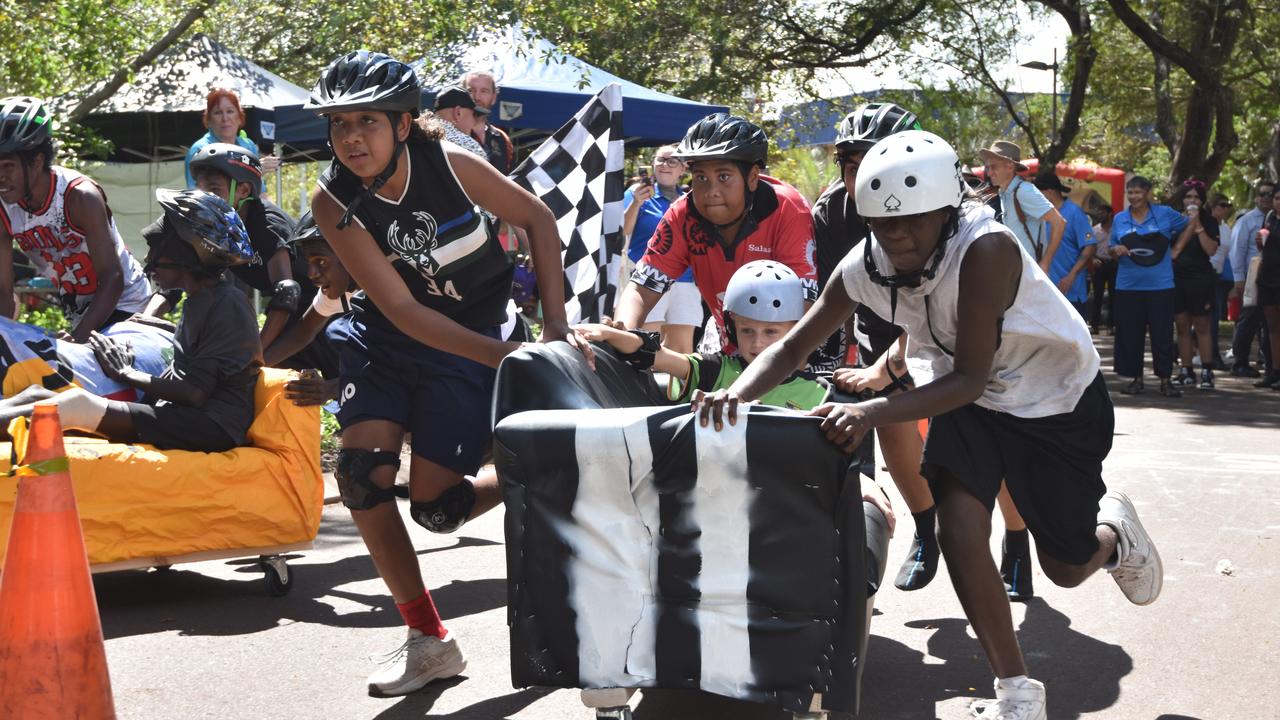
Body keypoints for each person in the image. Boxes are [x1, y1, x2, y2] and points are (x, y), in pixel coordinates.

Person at [689, 130, 1162, 720]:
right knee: (960, 529)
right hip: (973, 402)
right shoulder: (864, 265)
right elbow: (791, 349)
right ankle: (1018, 695)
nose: (899, 238)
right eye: (883, 225)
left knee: (1065, 568)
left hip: (1054, 400)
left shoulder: (985, 250)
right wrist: (732, 395)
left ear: (947, 210)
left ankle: (1113, 533)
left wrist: (869, 411)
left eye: (913, 222)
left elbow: (967, 374)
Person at [305, 50, 573, 697]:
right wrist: (510, 362)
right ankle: (430, 641)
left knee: (438, 510)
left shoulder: (451, 164)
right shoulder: (331, 200)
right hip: (393, 337)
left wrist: (556, 337)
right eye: (339, 124)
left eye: (366, 121)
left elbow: (537, 219)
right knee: (360, 476)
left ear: (402, 125)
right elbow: (399, 309)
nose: (350, 137)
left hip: (472, 332)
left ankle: (523, 471)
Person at [1, 189, 261, 452]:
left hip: (211, 426)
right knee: (42, 396)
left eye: (158, 248)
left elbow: (195, 393)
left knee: (76, 406)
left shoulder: (229, 304)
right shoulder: (199, 301)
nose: (149, 260)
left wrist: (127, 373)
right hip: (183, 415)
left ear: (187, 254)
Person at [811, 102, 941, 592]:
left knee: (982, 446)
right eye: (853, 167)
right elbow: (830, 304)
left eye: (881, 164)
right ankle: (927, 529)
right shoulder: (831, 212)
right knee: (892, 424)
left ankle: (1016, 537)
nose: (867, 178)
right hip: (881, 328)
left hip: (956, 334)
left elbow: (942, 312)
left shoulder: (949, 209)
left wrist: (890, 367)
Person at [266, 212, 533, 405]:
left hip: (495, 342)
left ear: (351, 254)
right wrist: (251, 366)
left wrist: (330, 389)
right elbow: (304, 331)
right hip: (445, 355)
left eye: (321, 262)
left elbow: (400, 359)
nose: (311, 273)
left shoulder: (402, 288)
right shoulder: (344, 284)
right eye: (308, 262)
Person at [614, 113, 817, 357]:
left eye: (723, 177)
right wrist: (622, 332)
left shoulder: (788, 209)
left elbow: (804, 304)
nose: (711, 191)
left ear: (752, 178)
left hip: (796, 339)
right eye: (701, 178)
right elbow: (641, 289)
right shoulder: (682, 214)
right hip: (728, 333)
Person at [0, 96, 152, 342]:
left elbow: (113, 278)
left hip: (127, 308)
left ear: (36, 162)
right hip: (82, 317)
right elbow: (3, 294)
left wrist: (78, 339)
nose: (1, 177)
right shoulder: (4, 208)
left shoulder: (79, 196)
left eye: (8, 166)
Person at [1110, 175, 1188, 397]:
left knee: (1162, 333)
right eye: (1130, 193)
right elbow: (1111, 249)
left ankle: (1166, 379)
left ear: (1148, 193)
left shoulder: (1165, 214)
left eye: (1138, 192)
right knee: (1130, 334)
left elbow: (1190, 223)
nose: (1133, 197)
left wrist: (1177, 249)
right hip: (1128, 286)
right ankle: (1136, 379)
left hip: (1160, 285)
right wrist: (1116, 250)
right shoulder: (1120, 219)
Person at [620, 145, 700, 353]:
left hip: (685, 279)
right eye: (660, 160)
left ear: (683, 168)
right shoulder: (636, 194)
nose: (665, 165)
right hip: (649, 277)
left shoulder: (691, 199)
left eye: (672, 161)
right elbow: (623, 230)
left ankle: (678, 387)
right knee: (648, 345)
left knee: (682, 350)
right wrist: (636, 203)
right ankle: (648, 386)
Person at [979, 140, 1065, 273]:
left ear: (1010, 166)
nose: (989, 173)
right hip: (1018, 273)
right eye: (988, 167)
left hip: (1030, 274)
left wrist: (1045, 263)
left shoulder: (1023, 191)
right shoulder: (1005, 192)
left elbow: (1059, 223)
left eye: (993, 167)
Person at [1170, 180, 1220, 389]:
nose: (1192, 201)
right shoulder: (1174, 220)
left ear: (1202, 201)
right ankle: (1186, 369)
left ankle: (1207, 371)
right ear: (1182, 199)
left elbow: (1210, 250)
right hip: (1177, 277)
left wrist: (1197, 226)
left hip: (1201, 279)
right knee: (1182, 325)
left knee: (1202, 325)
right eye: (1188, 197)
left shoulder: (1209, 221)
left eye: (1196, 197)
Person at [184, 88, 279, 190]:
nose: (225, 118)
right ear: (209, 120)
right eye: (218, 112)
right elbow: (202, 199)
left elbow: (260, 193)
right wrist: (253, 172)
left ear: (239, 117)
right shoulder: (200, 150)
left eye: (230, 111)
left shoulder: (249, 146)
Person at [1229, 181, 1274, 378]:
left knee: (1270, 322)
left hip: (1273, 276)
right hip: (1252, 275)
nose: (1266, 198)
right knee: (1249, 319)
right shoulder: (1246, 221)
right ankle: (1240, 362)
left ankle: (1270, 362)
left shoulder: (1275, 219)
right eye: (1262, 194)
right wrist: (1239, 278)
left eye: (1270, 194)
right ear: (1256, 197)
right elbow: (1236, 250)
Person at [1034, 174, 1096, 318]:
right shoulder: (1039, 215)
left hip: (1070, 291)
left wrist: (1071, 276)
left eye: (1038, 193)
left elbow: (1090, 246)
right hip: (1046, 292)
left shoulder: (1074, 213)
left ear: (1049, 192)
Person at [1252, 190, 1280, 389]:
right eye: (1277, 198)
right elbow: (1264, 247)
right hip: (1267, 277)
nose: (1279, 202)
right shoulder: (1269, 217)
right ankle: (1273, 370)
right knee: (1271, 327)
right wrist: (1259, 242)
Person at [462, 70, 515, 174]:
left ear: (494, 98)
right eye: (470, 91)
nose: (477, 97)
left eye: (484, 91)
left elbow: (510, 179)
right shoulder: (448, 135)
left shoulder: (502, 139)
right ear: (461, 95)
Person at [1207, 194, 1234, 369]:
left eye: (1227, 206)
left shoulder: (1226, 229)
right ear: (1212, 206)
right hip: (1200, 274)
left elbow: (1230, 254)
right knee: (1192, 318)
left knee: (1212, 318)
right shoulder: (1203, 225)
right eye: (1221, 205)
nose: (1224, 209)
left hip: (1216, 277)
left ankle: (1212, 356)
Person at [430, 86, 488, 159]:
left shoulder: (419, 139)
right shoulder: (468, 145)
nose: (474, 122)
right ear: (458, 113)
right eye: (474, 115)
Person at [1089, 204, 1117, 335]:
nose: (1099, 215)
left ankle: (1112, 325)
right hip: (1099, 264)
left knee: (1114, 296)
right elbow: (1088, 247)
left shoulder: (1117, 228)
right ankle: (1094, 325)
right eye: (1098, 213)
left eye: (1102, 212)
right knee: (1097, 296)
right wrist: (1093, 259)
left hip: (1114, 264)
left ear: (1110, 214)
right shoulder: (1094, 230)